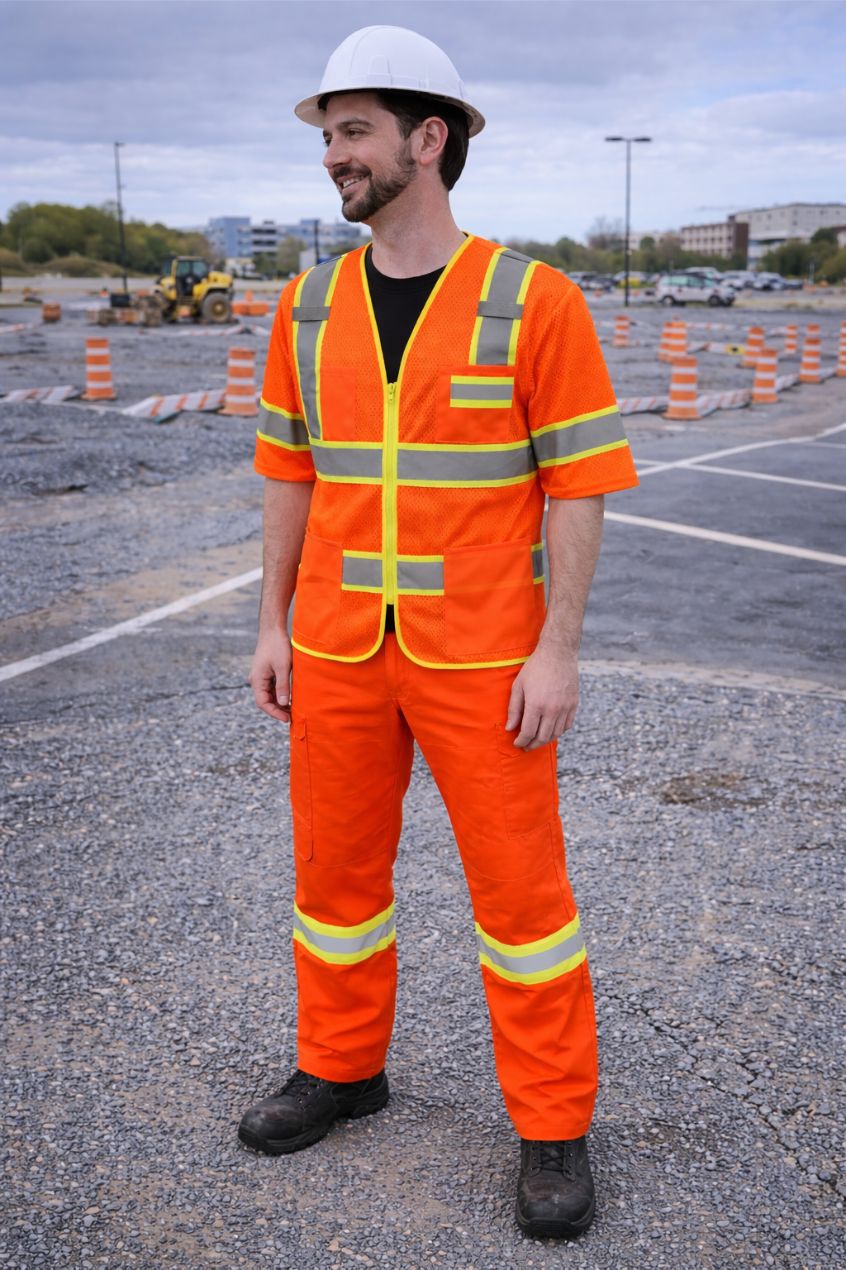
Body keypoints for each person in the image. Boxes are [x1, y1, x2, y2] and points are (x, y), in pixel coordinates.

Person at [238, 25, 638, 1239]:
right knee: (336, 882)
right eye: (326, 135)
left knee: (524, 898)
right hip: (339, 644)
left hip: (488, 657)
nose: (333, 157)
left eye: (353, 131)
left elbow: (582, 481)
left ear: (430, 138)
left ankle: (554, 1124)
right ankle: (344, 1066)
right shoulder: (308, 307)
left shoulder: (536, 300)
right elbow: (288, 472)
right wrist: (270, 623)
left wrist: (558, 648)